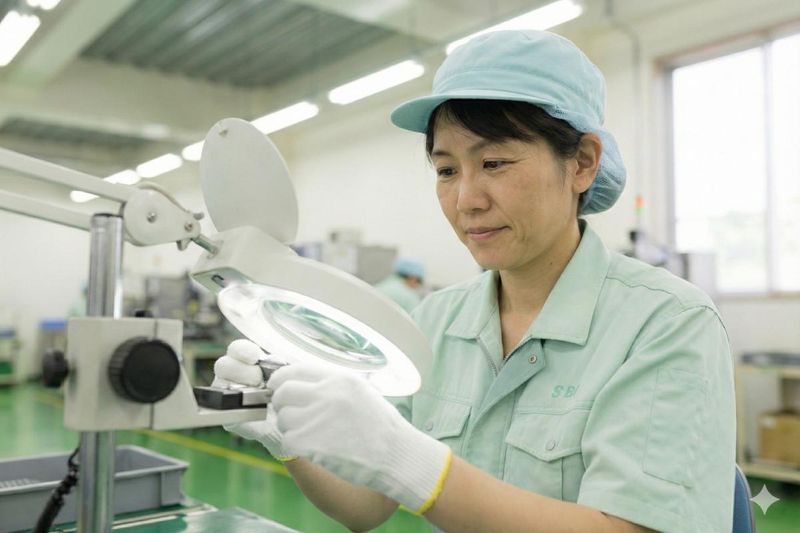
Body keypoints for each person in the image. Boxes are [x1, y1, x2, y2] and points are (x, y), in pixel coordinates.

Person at [214, 30, 735, 532]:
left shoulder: (664, 323)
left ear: (581, 164)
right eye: (446, 171)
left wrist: (414, 465)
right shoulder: (436, 322)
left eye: (494, 162)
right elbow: (367, 507)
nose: (466, 200)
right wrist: (291, 439)